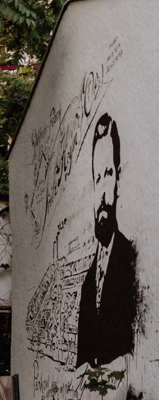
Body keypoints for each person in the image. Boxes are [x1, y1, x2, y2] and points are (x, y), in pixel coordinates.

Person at [76, 112, 138, 368]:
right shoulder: (89, 281)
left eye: (108, 174)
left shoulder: (131, 262)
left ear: (119, 180)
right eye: (97, 178)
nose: (102, 193)